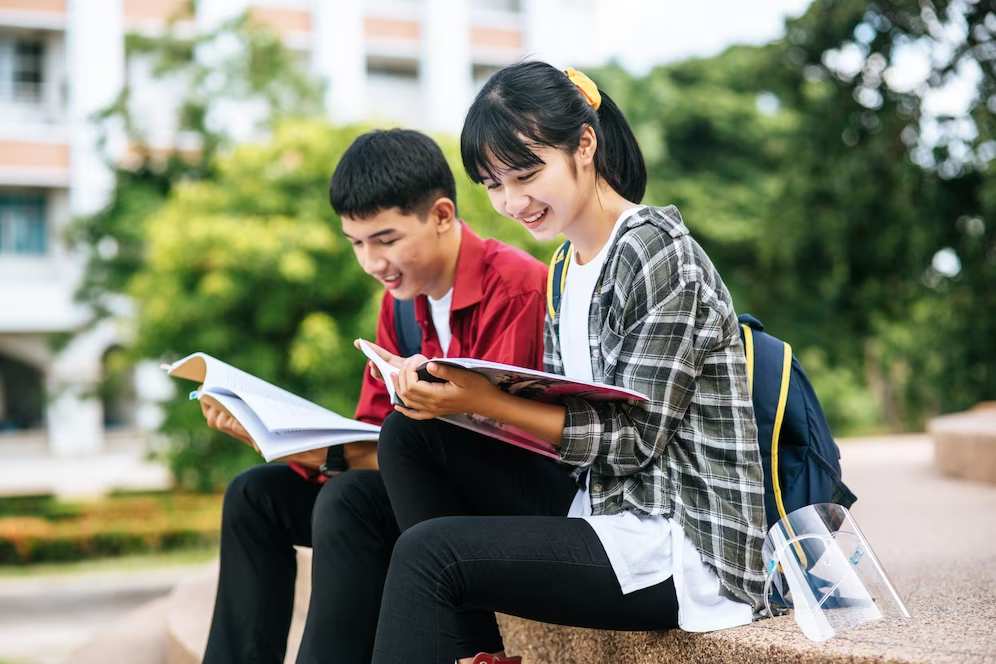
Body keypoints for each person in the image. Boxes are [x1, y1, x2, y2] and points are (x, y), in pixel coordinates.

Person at [362, 62, 768, 664]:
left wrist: (485, 401)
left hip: (683, 539)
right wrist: (456, 398)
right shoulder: (563, 268)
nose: (511, 201)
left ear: (584, 143)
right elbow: (566, 415)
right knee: (409, 434)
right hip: (602, 505)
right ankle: (477, 656)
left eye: (525, 174)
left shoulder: (656, 250)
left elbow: (633, 440)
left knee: (430, 552)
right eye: (493, 184)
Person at [199, 128, 549, 664]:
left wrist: (316, 453)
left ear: (441, 214)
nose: (372, 262)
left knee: (346, 501)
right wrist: (274, 437)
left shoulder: (517, 286)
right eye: (357, 243)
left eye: (385, 240)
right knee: (255, 496)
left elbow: (507, 449)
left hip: (501, 501)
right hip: (414, 492)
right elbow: (373, 431)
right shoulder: (402, 307)